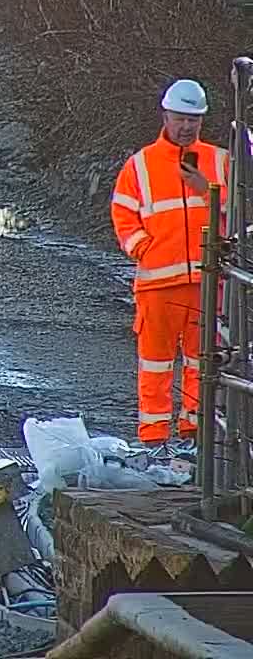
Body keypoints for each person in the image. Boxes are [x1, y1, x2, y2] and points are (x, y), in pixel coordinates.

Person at [110, 78, 230, 450]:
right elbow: (123, 213)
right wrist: (143, 247)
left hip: (208, 282)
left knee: (201, 362)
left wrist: (204, 187)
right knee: (155, 364)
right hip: (158, 284)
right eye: (180, 118)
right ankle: (154, 437)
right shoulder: (141, 164)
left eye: (193, 119)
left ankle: (193, 435)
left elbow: (236, 210)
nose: (186, 126)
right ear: (165, 115)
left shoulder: (219, 161)